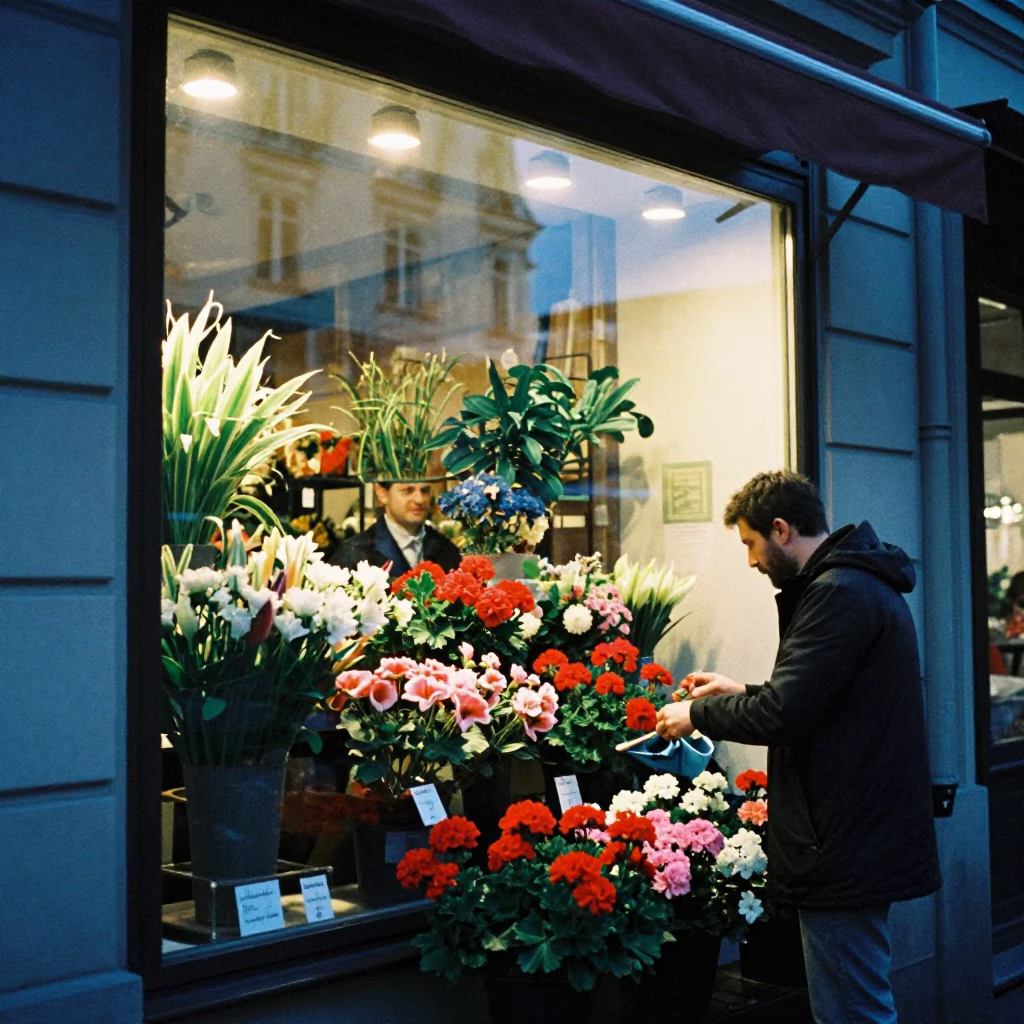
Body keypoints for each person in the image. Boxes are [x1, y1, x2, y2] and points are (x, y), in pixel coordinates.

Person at [656, 470, 939, 1024]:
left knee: (850, 1012)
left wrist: (696, 713)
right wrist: (741, 690)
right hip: (856, 831)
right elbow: (818, 701)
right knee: (854, 1002)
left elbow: (785, 713)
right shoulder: (855, 584)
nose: (751, 561)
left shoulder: (837, 593)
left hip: (843, 836)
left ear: (781, 530)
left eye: (750, 543)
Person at [329, 481, 461, 576]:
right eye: (407, 491)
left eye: (425, 490)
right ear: (382, 493)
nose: (419, 499)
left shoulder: (447, 550)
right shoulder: (353, 554)